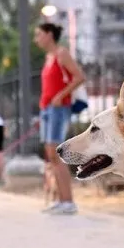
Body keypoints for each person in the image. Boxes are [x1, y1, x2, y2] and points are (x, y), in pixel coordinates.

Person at [34, 22, 86, 215]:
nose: (36, 39)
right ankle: (61, 199)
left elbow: (79, 77)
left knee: (56, 153)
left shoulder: (61, 54)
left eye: (39, 34)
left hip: (58, 108)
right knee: (50, 154)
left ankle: (68, 201)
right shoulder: (48, 57)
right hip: (46, 109)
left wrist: (60, 95)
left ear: (49, 35)